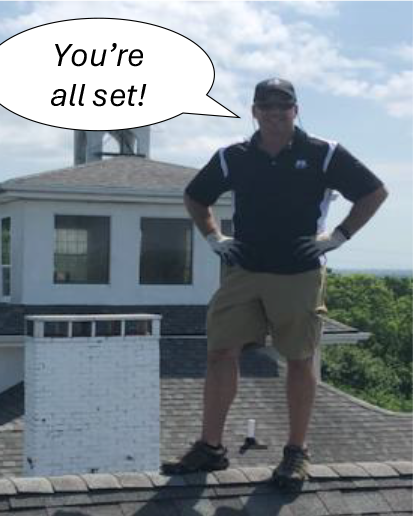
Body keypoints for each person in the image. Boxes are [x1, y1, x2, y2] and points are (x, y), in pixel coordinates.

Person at [161, 78, 388, 486]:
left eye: (283, 106)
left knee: (300, 360)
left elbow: (373, 192)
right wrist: (215, 238)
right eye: (266, 106)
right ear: (254, 111)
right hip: (243, 269)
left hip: (298, 273)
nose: (275, 113)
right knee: (220, 353)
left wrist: (337, 237)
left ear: (296, 111)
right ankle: (210, 449)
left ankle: (295, 453)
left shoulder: (324, 153)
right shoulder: (234, 157)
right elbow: (196, 196)